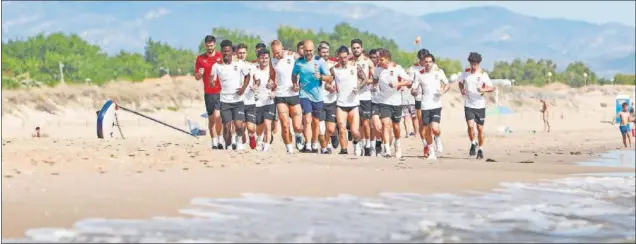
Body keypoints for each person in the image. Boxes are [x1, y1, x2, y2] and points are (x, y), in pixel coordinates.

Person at [292, 39, 333, 153]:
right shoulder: (299, 62)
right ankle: (308, 144)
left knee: (315, 121)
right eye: (306, 50)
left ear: (313, 50)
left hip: (317, 95)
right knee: (307, 118)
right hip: (304, 94)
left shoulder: (319, 61)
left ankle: (315, 144)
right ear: (303, 50)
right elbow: (294, 74)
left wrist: (320, 77)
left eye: (310, 50)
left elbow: (329, 77)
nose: (308, 53)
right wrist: (295, 84)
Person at [210, 40, 251, 150]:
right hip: (225, 101)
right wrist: (212, 82)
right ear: (221, 52)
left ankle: (238, 139)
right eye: (224, 51)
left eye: (228, 51)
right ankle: (228, 146)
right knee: (227, 127)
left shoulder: (239, 64)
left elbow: (248, 76)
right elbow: (212, 80)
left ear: (232, 52)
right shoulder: (217, 66)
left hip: (238, 101)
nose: (226, 53)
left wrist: (243, 88)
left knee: (238, 125)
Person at [373, 49, 412, 158]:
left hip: (397, 102)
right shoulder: (378, 69)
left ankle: (397, 144)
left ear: (388, 60)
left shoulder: (396, 68)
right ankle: (387, 149)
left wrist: (398, 83)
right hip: (384, 102)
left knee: (395, 126)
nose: (379, 61)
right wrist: (374, 86)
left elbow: (409, 81)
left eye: (382, 60)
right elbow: (375, 80)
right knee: (386, 124)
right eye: (378, 59)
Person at [411, 53, 450, 160]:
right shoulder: (419, 74)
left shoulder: (439, 72)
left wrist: (442, 91)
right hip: (425, 105)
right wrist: (414, 92)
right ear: (423, 62)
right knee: (427, 130)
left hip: (436, 104)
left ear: (433, 62)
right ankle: (431, 151)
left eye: (430, 62)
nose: (428, 64)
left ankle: (437, 138)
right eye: (426, 62)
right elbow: (413, 89)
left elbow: (447, 84)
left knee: (435, 128)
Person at [458, 52, 496, 159]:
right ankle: (473, 143)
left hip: (480, 105)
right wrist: (462, 89)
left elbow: (492, 88)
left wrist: (483, 89)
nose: (473, 66)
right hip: (469, 104)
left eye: (475, 64)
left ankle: (481, 149)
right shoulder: (465, 72)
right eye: (472, 63)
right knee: (470, 126)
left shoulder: (483, 74)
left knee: (480, 128)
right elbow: (460, 82)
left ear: (479, 63)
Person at [271, 40, 305, 154]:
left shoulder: (292, 55)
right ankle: (289, 148)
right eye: (274, 53)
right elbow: (271, 77)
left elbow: (304, 67)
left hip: (294, 94)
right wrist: (271, 84)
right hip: (280, 95)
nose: (276, 55)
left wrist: (298, 85)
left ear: (282, 48)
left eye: (278, 52)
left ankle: (299, 135)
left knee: (297, 126)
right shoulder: (273, 60)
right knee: (285, 125)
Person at [329, 45, 362, 155]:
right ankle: (343, 151)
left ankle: (357, 142)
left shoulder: (355, 66)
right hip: (341, 104)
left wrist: (359, 87)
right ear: (337, 56)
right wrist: (329, 87)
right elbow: (328, 82)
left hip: (353, 104)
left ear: (348, 56)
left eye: (345, 57)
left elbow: (365, 79)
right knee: (342, 128)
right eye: (341, 58)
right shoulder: (334, 69)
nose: (343, 60)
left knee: (355, 131)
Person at [194, 35, 224, 149]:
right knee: (211, 119)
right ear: (205, 45)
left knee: (218, 117)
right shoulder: (200, 59)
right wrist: (199, 74)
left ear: (214, 45)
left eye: (211, 45)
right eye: (208, 46)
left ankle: (221, 139)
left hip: (220, 92)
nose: (210, 48)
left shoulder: (220, 57)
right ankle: (214, 142)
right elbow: (196, 77)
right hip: (208, 93)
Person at [351, 39, 375, 156]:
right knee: (356, 123)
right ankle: (358, 144)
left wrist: (364, 82)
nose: (356, 50)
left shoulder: (368, 62)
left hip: (365, 96)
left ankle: (368, 144)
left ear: (361, 48)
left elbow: (374, 79)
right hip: (353, 97)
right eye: (354, 48)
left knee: (365, 123)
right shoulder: (349, 62)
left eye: (358, 48)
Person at [253, 49, 277, 152]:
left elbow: (277, 85)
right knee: (259, 127)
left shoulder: (273, 71)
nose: (264, 60)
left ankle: (266, 147)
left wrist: (273, 92)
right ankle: (259, 138)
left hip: (269, 102)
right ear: (258, 59)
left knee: (268, 125)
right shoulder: (254, 69)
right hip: (257, 102)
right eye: (262, 58)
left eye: (266, 58)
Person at [318, 42, 339, 154]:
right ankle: (325, 146)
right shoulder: (314, 64)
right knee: (321, 127)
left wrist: (334, 87)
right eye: (323, 52)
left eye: (327, 52)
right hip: (319, 99)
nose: (325, 54)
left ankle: (335, 134)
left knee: (330, 128)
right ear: (319, 52)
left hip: (331, 100)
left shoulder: (334, 65)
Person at [236, 43, 258, 149]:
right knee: (240, 127)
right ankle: (240, 141)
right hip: (238, 101)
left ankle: (252, 136)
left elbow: (257, 80)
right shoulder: (233, 66)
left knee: (251, 128)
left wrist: (255, 86)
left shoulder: (252, 66)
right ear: (236, 53)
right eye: (239, 53)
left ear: (247, 53)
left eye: (243, 53)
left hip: (250, 100)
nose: (241, 55)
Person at [368, 48, 383, 157]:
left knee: (385, 126)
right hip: (372, 100)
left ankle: (383, 144)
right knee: (374, 125)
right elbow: (370, 81)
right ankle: (373, 146)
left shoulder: (387, 68)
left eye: (377, 57)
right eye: (373, 57)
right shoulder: (370, 68)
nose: (376, 59)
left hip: (386, 101)